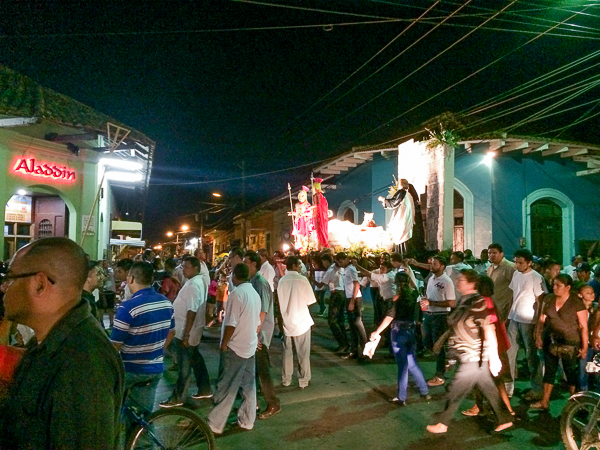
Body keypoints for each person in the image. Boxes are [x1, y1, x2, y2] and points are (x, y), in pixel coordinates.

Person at [0, 237, 124, 449]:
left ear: (40, 284)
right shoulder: (48, 342)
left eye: (10, 278)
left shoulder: (83, 362)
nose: (3, 287)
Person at [427, 270, 513, 434]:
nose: (458, 282)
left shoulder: (478, 301)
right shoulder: (465, 301)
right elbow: (456, 325)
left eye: (462, 280)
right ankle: (505, 418)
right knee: (488, 388)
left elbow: (489, 328)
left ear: (471, 283)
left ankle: (443, 423)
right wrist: (442, 340)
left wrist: (494, 357)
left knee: (455, 390)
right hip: (469, 355)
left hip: (473, 355)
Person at [111, 261, 174, 425]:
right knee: (143, 419)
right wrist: (158, 350)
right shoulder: (166, 303)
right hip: (155, 368)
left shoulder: (128, 307)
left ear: (130, 278)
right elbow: (171, 331)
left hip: (131, 369)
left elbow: (115, 344)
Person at [207, 263, 261, 435]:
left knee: (227, 385)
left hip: (236, 346)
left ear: (235, 276)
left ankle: (215, 423)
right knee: (248, 385)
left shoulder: (237, 294)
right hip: (249, 345)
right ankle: (247, 420)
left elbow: (231, 323)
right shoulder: (254, 294)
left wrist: (224, 343)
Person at [370, 272, 430, 406]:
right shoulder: (415, 295)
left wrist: (377, 332)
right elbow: (421, 309)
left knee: (402, 366)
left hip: (398, 332)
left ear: (396, 283)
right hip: (412, 330)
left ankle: (402, 397)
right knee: (412, 363)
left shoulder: (396, 298)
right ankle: (425, 391)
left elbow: (390, 317)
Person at [160, 256, 212, 407]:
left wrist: (186, 334)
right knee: (195, 360)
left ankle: (178, 397)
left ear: (196, 268)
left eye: (187, 267)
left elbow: (192, 311)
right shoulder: (193, 282)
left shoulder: (194, 285)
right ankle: (205, 388)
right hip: (185, 329)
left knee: (184, 366)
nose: (183, 270)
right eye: (183, 267)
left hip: (186, 330)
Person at [461, 276, 514, 417]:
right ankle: (506, 409)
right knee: (496, 380)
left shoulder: (484, 303)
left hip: (490, 347)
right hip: (496, 345)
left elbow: (488, 328)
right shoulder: (488, 301)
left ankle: (485, 408)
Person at [532, 274, 588, 410]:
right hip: (551, 339)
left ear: (568, 287)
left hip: (570, 341)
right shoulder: (549, 298)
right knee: (550, 370)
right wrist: (538, 335)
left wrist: (584, 347)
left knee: (570, 372)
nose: (554, 287)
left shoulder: (576, 303)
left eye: (558, 285)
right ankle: (544, 401)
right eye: (554, 284)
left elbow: (583, 326)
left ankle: (576, 403)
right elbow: (542, 319)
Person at [243, 251, 281, 419]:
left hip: (260, 335)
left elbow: (263, 311)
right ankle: (255, 401)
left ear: (254, 264)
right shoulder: (251, 281)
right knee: (254, 371)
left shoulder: (260, 283)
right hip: (253, 333)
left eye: (246, 262)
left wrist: (254, 334)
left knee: (263, 371)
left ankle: (272, 403)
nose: (244, 265)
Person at [505, 248, 547, 399]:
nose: (517, 265)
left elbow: (541, 301)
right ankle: (508, 387)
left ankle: (537, 389)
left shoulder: (537, 278)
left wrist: (538, 326)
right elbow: (513, 295)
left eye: (520, 262)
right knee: (509, 352)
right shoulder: (516, 274)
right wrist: (508, 315)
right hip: (514, 318)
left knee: (531, 356)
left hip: (529, 321)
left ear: (529, 263)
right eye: (516, 262)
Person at [277, 256, 316, 388]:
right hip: (302, 321)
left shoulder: (282, 281)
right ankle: (303, 380)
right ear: (293, 265)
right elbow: (309, 301)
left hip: (287, 321)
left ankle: (286, 379)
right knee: (303, 353)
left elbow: (279, 303)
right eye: (299, 264)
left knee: (287, 352)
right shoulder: (302, 280)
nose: (300, 267)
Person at [421, 255, 455, 387]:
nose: (431, 265)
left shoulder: (446, 281)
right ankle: (446, 362)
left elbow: (451, 302)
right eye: (431, 263)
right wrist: (425, 301)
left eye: (435, 264)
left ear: (442, 266)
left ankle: (440, 375)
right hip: (429, 314)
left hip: (440, 316)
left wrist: (432, 303)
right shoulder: (431, 279)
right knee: (427, 343)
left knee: (438, 346)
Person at [313, 252, 348, 353]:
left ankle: (343, 343)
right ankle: (344, 344)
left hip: (336, 295)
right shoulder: (336, 267)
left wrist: (311, 280)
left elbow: (321, 285)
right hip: (341, 293)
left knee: (332, 320)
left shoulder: (330, 270)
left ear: (325, 261)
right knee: (340, 320)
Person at [337, 252, 367, 360]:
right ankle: (354, 351)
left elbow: (357, 284)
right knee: (352, 325)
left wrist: (352, 301)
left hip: (354, 298)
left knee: (358, 324)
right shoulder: (346, 269)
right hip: (349, 297)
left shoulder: (351, 269)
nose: (340, 264)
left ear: (346, 259)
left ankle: (365, 349)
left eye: (341, 261)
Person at [312, 177, 330, 249]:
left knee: (321, 230)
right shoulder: (315, 196)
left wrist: (314, 207)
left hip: (321, 216)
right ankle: (320, 244)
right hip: (317, 215)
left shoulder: (319, 196)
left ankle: (323, 244)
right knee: (318, 230)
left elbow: (319, 206)